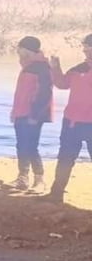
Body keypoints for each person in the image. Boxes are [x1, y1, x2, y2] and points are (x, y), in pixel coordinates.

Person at [44, 34, 92, 204]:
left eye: (88, 46)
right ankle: (56, 194)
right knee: (65, 158)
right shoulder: (79, 68)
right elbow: (62, 84)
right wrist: (55, 67)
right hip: (72, 122)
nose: (85, 50)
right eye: (85, 46)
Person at [6, 36, 53, 193]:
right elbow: (21, 93)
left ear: (26, 49)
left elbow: (45, 94)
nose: (18, 52)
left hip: (33, 114)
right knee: (21, 145)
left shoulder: (42, 67)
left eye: (19, 48)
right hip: (21, 112)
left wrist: (35, 115)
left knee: (31, 146)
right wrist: (14, 111)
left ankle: (39, 180)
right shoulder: (28, 66)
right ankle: (22, 178)